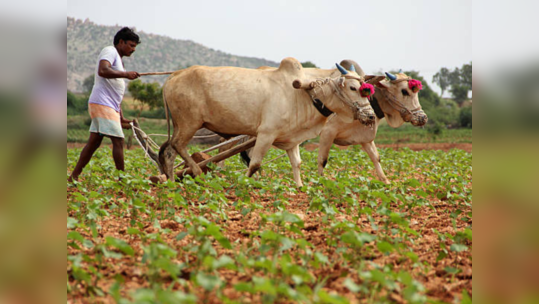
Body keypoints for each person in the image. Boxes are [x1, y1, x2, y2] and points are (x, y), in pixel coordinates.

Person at [68, 27, 141, 182]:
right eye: (131, 45)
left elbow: (115, 92)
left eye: (135, 46)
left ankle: (73, 178)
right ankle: (122, 180)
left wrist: (120, 116)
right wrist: (126, 75)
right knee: (119, 141)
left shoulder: (119, 60)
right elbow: (103, 70)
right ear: (121, 42)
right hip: (102, 103)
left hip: (107, 105)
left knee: (93, 143)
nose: (133, 49)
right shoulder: (110, 51)